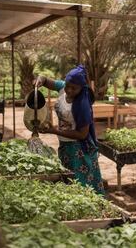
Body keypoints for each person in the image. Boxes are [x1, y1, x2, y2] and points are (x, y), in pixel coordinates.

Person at [35, 65, 105, 195]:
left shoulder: (83, 105)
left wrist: (55, 131)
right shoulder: (63, 88)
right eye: (67, 85)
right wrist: (41, 79)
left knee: (82, 187)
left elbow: (82, 134)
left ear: (81, 88)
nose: (69, 90)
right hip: (65, 146)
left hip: (80, 151)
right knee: (69, 183)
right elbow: (45, 80)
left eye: (74, 88)